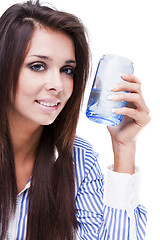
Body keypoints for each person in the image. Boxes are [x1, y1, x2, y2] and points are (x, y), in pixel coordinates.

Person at [0, 0, 150, 239]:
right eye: (38, 66)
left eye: (67, 70)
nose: (57, 85)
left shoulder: (80, 161)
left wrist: (124, 148)